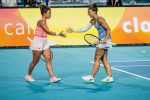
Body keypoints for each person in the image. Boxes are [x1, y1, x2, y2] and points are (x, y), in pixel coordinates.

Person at [67, 3, 114, 83]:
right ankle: (109, 77)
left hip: (104, 40)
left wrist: (106, 39)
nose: (88, 14)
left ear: (94, 11)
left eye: (89, 12)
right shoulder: (92, 21)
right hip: (103, 40)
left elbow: (108, 29)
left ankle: (91, 77)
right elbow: (84, 29)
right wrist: (73, 30)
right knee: (104, 59)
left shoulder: (100, 19)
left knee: (97, 58)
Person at [25, 4, 66, 83]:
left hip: (44, 41)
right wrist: (59, 34)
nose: (50, 14)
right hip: (38, 42)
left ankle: (52, 77)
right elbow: (48, 31)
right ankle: (28, 75)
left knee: (48, 59)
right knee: (35, 61)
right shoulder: (41, 21)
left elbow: (46, 33)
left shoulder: (45, 21)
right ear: (44, 14)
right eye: (49, 13)